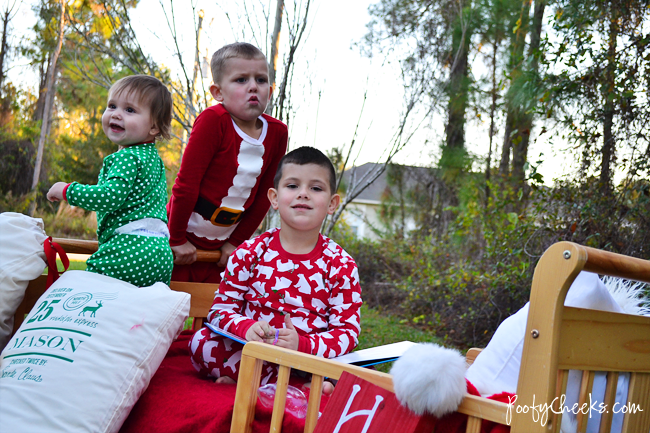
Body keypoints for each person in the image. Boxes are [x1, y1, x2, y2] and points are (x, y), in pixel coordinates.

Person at [189, 147, 362, 391]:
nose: (303, 194)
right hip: (253, 351)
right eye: (292, 186)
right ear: (274, 198)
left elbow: (347, 331)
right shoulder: (249, 252)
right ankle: (294, 389)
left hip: (307, 359)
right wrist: (246, 328)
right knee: (201, 342)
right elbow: (220, 311)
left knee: (355, 370)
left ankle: (254, 383)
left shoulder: (341, 264)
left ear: (332, 203)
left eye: (316, 188)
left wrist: (302, 345)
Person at [167, 42, 288, 283]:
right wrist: (176, 239)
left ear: (270, 90)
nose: (253, 86)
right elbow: (186, 185)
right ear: (218, 92)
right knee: (170, 301)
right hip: (179, 238)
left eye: (261, 80)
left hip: (222, 248)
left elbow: (265, 194)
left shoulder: (277, 133)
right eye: (241, 80)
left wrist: (236, 242)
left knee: (214, 303)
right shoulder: (214, 121)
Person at [47, 75, 173, 287]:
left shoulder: (127, 157)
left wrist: (67, 191)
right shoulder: (154, 160)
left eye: (129, 110)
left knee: (86, 293)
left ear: (154, 127)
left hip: (129, 249)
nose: (116, 114)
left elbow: (109, 197)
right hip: (160, 253)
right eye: (112, 106)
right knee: (134, 306)